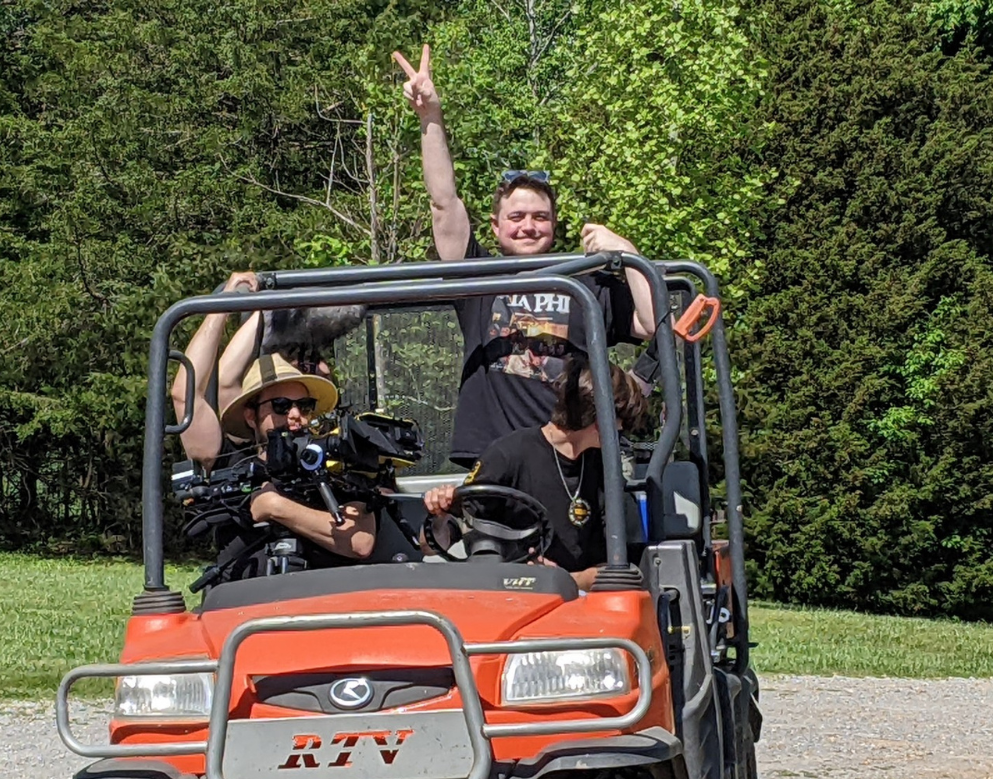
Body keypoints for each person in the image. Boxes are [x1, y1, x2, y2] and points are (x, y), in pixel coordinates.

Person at [393, 45, 657, 466]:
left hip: (574, 452)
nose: (528, 225)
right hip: (492, 455)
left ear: (554, 226)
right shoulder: (478, 277)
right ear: (496, 227)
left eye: (540, 217)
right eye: (516, 216)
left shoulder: (586, 281)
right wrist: (430, 118)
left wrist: (627, 253)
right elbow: (443, 202)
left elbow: (651, 322)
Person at [170, 272, 376, 574]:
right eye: (281, 406)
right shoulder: (231, 460)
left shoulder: (338, 461)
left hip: (326, 608)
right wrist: (224, 305)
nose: (294, 415)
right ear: (250, 415)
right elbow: (185, 394)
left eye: (304, 405)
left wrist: (274, 507)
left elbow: (360, 541)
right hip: (243, 610)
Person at [421, 359, 647, 590]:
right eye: (621, 422)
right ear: (599, 418)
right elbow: (432, 545)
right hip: (510, 597)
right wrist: (439, 513)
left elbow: (616, 570)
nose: (621, 431)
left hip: (580, 602)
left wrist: (560, 579)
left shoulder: (603, 469)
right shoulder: (507, 455)